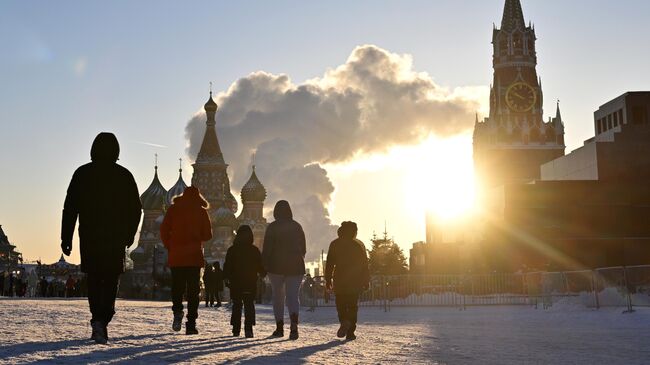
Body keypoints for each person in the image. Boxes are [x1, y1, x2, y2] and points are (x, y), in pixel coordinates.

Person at [61, 132, 142, 344]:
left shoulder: (83, 173)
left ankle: (98, 319)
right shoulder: (124, 175)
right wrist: (129, 234)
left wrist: (66, 237)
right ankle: (103, 318)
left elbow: (70, 208)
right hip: (115, 238)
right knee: (111, 278)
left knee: (95, 279)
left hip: (90, 236)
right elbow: (136, 209)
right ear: (116, 151)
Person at [160, 186, 213, 335]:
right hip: (194, 257)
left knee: (177, 287)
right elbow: (208, 235)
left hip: (176, 256)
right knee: (193, 291)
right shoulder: (201, 211)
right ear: (198, 197)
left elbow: (164, 229)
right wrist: (197, 237)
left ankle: (177, 311)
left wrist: (169, 245)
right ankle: (191, 324)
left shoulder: (173, 209)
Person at [262, 200, 306, 340]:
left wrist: (264, 265)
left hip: (276, 267)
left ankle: (279, 328)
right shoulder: (297, 226)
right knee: (293, 297)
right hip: (296, 267)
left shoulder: (272, 227)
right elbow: (303, 248)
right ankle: (294, 327)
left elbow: (267, 249)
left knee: (278, 297)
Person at [325, 221, 369, 341]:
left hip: (339, 280)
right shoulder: (358, 245)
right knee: (353, 306)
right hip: (355, 281)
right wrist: (366, 280)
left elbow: (329, 264)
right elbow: (364, 265)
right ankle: (350, 332)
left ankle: (344, 321)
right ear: (354, 231)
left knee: (341, 305)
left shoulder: (335, 244)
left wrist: (328, 279)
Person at [223, 225, 266, 337]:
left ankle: (236, 329)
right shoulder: (254, 250)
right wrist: (263, 273)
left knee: (237, 305)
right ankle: (249, 329)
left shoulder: (232, 250)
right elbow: (260, 266)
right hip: (250, 282)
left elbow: (227, 266)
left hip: (236, 283)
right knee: (249, 305)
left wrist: (226, 278)